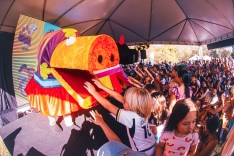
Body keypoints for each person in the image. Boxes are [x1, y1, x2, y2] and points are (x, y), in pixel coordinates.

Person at [84, 80, 156, 156]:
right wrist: (102, 87)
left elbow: (108, 106)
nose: (122, 101)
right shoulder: (141, 111)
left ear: (132, 104)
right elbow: (121, 98)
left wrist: (93, 92)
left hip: (142, 151)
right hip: (152, 146)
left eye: (125, 101)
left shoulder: (131, 117)